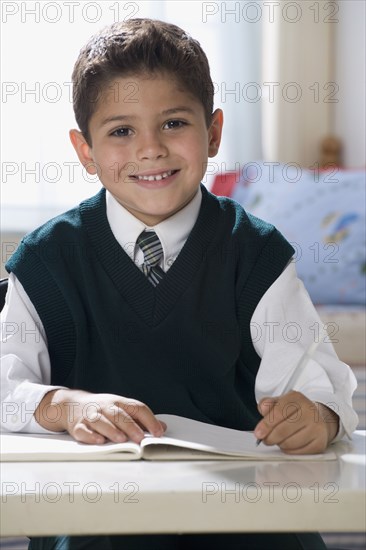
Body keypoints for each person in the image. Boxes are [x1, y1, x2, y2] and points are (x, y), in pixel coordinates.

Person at [0, 18, 358, 550]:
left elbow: (315, 379)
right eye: (121, 131)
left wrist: (318, 416)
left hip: (244, 516)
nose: (150, 149)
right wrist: (66, 406)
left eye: (173, 123)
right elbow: (7, 388)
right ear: (85, 150)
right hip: (99, 516)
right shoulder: (46, 259)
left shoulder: (255, 251)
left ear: (213, 132)